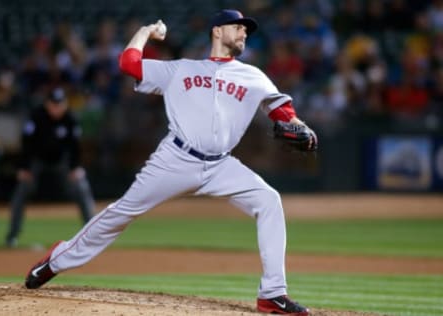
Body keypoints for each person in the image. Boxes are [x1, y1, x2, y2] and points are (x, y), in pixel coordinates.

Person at [24, 10, 314, 315]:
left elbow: (283, 111)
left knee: (268, 200)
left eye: (246, 29)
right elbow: (128, 63)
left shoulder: (253, 76)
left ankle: (272, 294)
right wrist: (145, 31)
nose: (244, 33)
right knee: (120, 214)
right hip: (175, 159)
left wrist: (301, 127)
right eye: (237, 27)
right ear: (217, 31)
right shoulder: (180, 69)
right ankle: (56, 260)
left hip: (221, 166)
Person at [5, 87, 95, 248]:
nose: (57, 107)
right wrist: (24, 168)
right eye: (54, 104)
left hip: (62, 162)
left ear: (65, 104)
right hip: (38, 161)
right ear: (47, 104)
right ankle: (12, 236)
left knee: (81, 187)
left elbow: (75, 147)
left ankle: (92, 236)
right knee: (22, 190)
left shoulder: (70, 118)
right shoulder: (37, 116)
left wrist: (75, 168)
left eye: (60, 104)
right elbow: (26, 144)